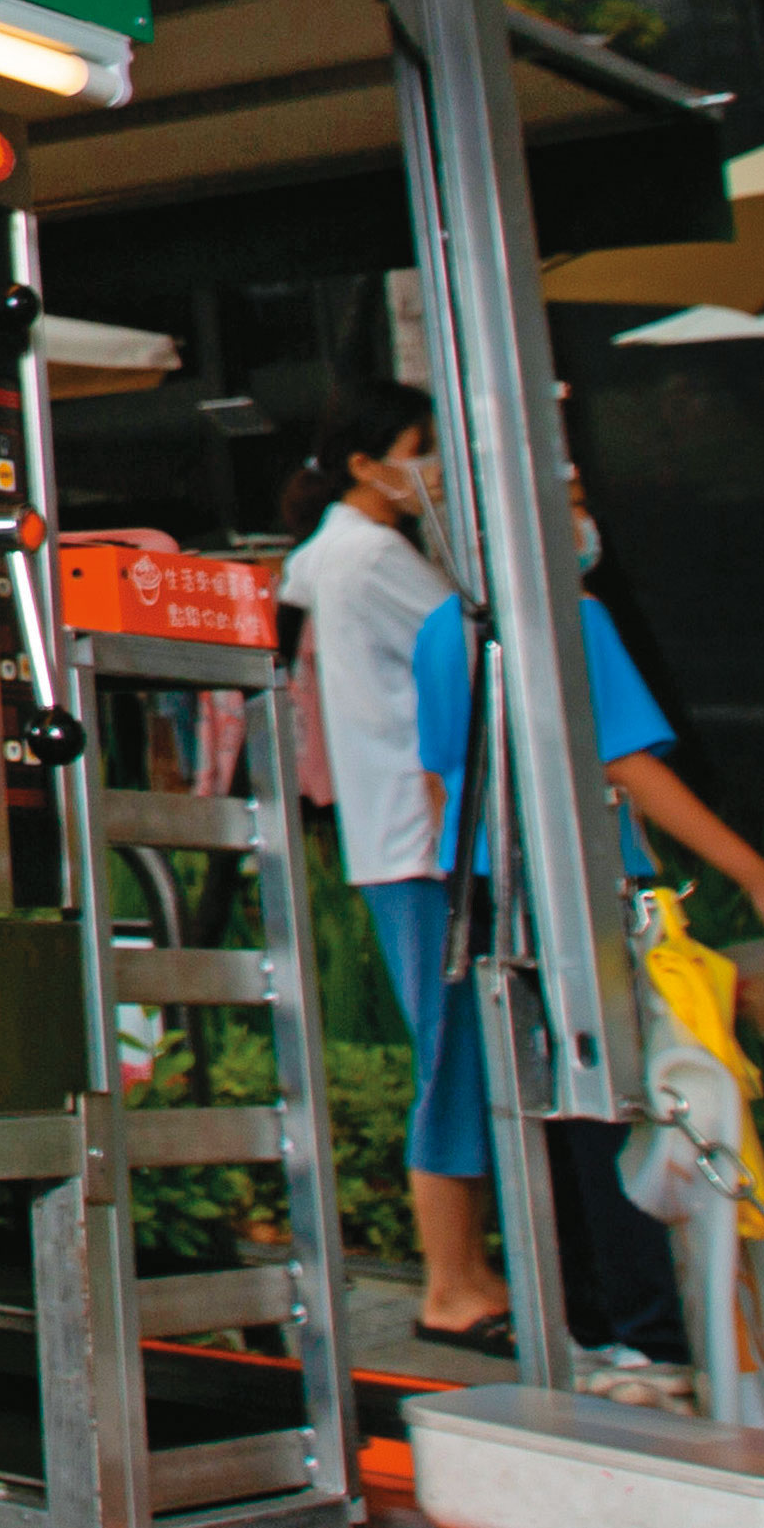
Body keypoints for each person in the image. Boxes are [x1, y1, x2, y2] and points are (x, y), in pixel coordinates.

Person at [407, 486, 764, 1394]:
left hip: (480, 889)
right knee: (621, 1105)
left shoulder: (441, 630)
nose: (583, 516)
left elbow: (439, 782)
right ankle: (656, 1335)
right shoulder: (571, 619)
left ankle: (596, 1327)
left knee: (548, 1115)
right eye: (562, 499)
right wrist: (761, 878)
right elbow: (629, 765)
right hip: (579, 885)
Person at [271, 391, 498, 1350]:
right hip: (426, 833)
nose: (434, 467)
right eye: (422, 449)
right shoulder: (374, 558)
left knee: (448, 1050)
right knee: (453, 1058)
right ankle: (453, 1284)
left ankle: (468, 1274)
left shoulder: (320, 557)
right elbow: (482, 646)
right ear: (367, 464)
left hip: (390, 833)